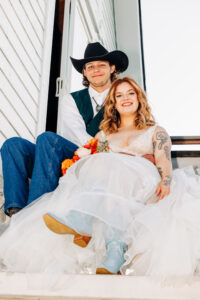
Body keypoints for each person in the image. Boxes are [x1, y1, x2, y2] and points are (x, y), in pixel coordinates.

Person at [1, 77, 200, 277]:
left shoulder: (155, 131)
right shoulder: (104, 135)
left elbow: (163, 160)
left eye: (130, 93)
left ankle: (82, 219)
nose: (126, 98)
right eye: (119, 95)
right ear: (114, 103)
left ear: (139, 98)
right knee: (100, 167)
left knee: (112, 166)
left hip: (143, 182)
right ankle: (114, 251)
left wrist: (166, 181)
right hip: (115, 186)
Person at [0, 42, 129, 217]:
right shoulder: (71, 99)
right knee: (12, 144)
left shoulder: (123, 97)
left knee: (47, 139)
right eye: (90, 67)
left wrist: (103, 149)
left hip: (101, 159)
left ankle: (35, 210)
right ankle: (16, 210)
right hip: (71, 154)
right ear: (84, 72)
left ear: (112, 68)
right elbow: (77, 134)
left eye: (101, 65)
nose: (95, 70)